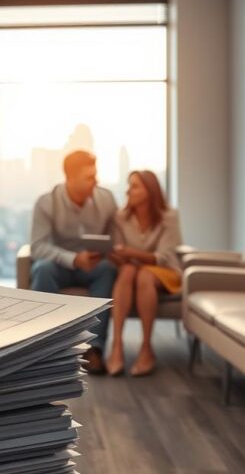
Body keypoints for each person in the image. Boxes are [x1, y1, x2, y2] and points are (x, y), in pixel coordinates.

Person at [30, 150, 118, 374]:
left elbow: (116, 238)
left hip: (93, 267)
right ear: (70, 178)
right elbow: (37, 246)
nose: (95, 181)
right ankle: (44, 347)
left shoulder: (106, 199)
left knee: (107, 269)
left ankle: (94, 349)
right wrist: (73, 259)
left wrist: (109, 252)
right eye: (89, 177)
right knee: (42, 268)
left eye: (95, 175)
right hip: (61, 266)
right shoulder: (46, 202)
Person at [106, 170, 183, 377]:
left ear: (150, 191)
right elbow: (117, 250)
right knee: (129, 270)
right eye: (129, 185)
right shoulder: (120, 218)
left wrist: (131, 253)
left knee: (144, 275)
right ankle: (117, 347)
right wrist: (117, 255)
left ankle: (147, 348)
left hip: (165, 272)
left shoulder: (169, 216)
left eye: (134, 186)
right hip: (131, 268)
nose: (128, 191)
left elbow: (164, 257)